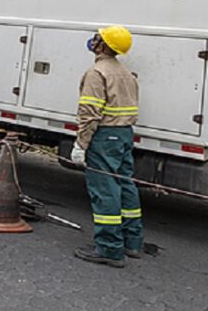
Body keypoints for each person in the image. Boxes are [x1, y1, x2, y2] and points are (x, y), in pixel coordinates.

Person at [71, 25, 143, 268]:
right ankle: (133, 242)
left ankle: (110, 249)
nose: (94, 41)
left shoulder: (97, 73)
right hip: (124, 134)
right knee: (125, 185)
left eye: (98, 38)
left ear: (104, 46)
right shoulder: (126, 73)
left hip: (104, 136)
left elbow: (89, 114)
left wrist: (81, 144)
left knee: (105, 189)